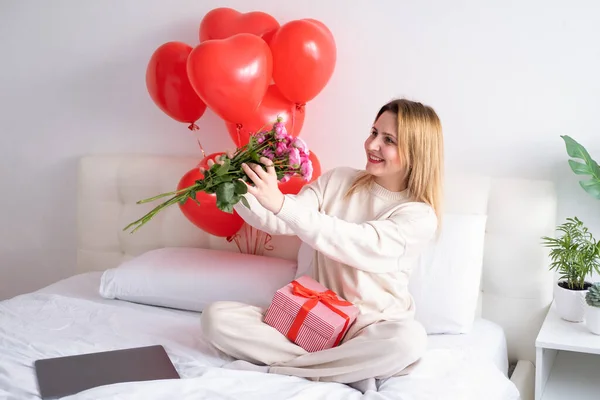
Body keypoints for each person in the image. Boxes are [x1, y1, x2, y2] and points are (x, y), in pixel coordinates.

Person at [199, 98, 444, 389]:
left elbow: (355, 242)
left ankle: (289, 368)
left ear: (417, 153)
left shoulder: (419, 216)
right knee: (215, 318)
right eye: (374, 132)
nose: (372, 144)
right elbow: (279, 219)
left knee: (408, 341)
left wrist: (281, 204)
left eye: (388, 139)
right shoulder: (339, 179)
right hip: (307, 319)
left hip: (366, 329)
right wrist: (234, 186)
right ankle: (339, 368)